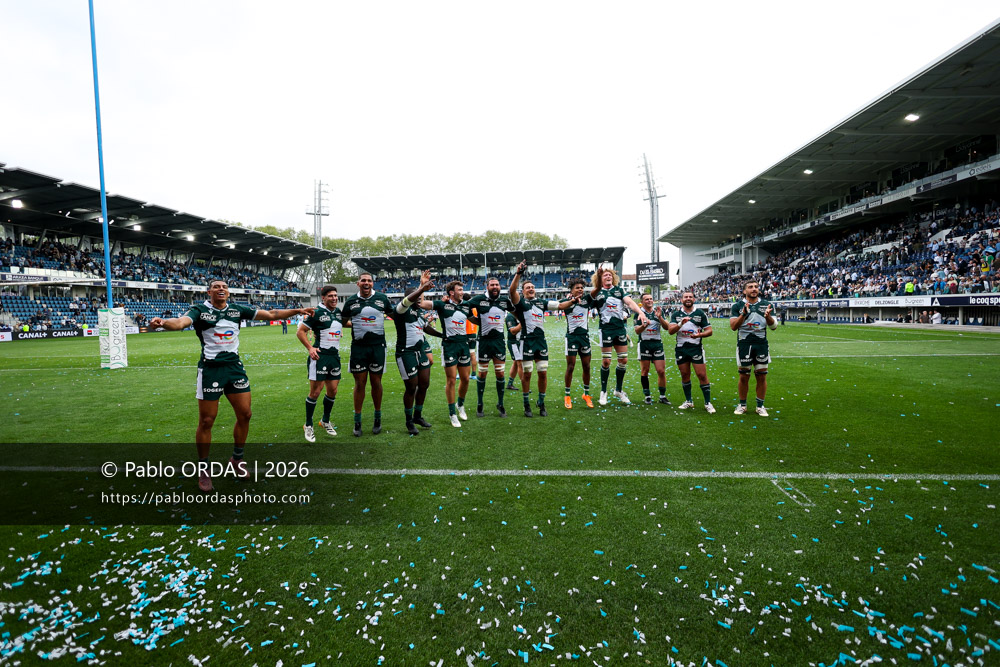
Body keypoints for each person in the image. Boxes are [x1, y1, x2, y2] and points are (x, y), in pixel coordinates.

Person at [149, 279, 314, 491]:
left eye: (224, 287)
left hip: (234, 368)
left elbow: (271, 315)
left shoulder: (237, 310)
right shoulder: (199, 310)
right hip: (210, 370)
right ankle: (204, 469)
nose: (221, 289)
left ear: (228, 292)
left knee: (245, 415)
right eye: (216, 287)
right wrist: (163, 322)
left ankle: (237, 459)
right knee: (207, 420)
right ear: (209, 291)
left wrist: (297, 310)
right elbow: (181, 322)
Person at [509, 260, 578, 417]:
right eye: (528, 288)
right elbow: (512, 291)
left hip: (541, 342)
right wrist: (518, 274)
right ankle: (526, 404)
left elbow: (560, 306)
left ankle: (541, 402)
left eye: (533, 287)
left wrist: (572, 301)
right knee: (527, 373)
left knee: (543, 373)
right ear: (523, 291)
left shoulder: (542, 302)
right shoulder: (520, 302)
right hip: (526, 342)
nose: (531, 289)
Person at [413, 278, 478, 427]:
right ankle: (452, 413)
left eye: (462, 289)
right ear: (451, 292)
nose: (462, 292)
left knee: (466, 379)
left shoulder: (466, 306)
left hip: (464, 345)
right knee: (451, 380)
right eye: (459, 290)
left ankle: (460, 405)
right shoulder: (442, 305)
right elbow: (421, 303)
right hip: (449, 346)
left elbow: (474, 320)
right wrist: (423, 286)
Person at [341, 272, 396, 437]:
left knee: (376, 382)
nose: (366, 283)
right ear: (358, 283)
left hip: (378, 347)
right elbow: (342, 322)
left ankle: (377, 418)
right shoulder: (351, 301)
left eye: (369, 280)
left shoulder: (382, 299)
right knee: (360, 383)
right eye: (363, 280)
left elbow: (396, 316)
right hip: (358, 348)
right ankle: (357, 421)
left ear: (373, 283)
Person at [590, 267, 648, 405]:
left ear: (613, 278)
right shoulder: (597, 292)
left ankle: (618, 390)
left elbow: (629, 302)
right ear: (600, 278)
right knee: (606, 362)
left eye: (610, 275)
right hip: (605, 330)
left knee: (623, 361)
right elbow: (587, 303)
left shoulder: (619, 290)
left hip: (619, 329)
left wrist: (640, 312)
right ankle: (603, 392)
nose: (608, 276)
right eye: (605, 275)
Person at [393, 270, 442, 434]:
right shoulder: (401, 310)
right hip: (405, 353)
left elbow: (426, 328)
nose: (420, 299)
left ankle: (417, 416)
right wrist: (421, 288)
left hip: (419, 352)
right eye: (417, 296)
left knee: (424, 384)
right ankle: (408, 421)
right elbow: (408, 300)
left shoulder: (419, 311)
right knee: (411, 387)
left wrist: (442, 335)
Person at [297, 285, 346, 442]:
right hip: (320, 357)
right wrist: (310, 348)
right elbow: (300, 331)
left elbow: (339, 325)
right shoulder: (316, 312)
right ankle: (308, 425)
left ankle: (324, 421)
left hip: (334, 356)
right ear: (323, 298)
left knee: (333, 391)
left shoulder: (338, 312)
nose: (334, 298)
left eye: (335, 296)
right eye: (330, 296)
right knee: (315, 392)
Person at [465, 277, 518, 418]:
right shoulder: (479, 299)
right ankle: (480, 403)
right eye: (492, 285)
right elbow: (466, 309)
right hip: (483, 342)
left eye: (497, 285)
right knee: (482, 374)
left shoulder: (505, 301)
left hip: (499, 342)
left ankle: (500, 404)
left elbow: (515, 311)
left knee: (500, 374)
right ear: (487, 286)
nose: (495, 287)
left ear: (500, 287)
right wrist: (478, 322)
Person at [729, 280, 776, 417]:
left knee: (761, 376)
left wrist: (768, 318)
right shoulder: (737, 306)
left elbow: (773, 327)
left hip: (761, 343)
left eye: (756, 287)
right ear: (744, 291)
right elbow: (733, 327)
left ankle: (760, 406)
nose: (754, 289)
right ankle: (742, 405)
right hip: (744, 343)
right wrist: (743, 314)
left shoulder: (766, 305)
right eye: (750, 287)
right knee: (744, 376)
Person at [666, 291, 715, 413]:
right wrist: (680, 323)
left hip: (696, 348)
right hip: (681, 348)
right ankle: (688, 401)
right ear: (681, 299)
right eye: (686, 297)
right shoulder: (676, 314)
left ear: (694, 299)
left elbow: (709, 331)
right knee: (685, 375)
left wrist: (700, 334)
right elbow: (670, 331)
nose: (688, 299)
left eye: (690, 297)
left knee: (702, 375)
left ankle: (708, 403)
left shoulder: (700, 314)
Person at [561, 278, 596, 409]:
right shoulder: (565, 302)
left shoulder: (587, 301)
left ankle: (586, 394)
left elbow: (596, 290)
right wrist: (571, 301)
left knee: (586, 366)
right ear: (571, 290)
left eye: (582, 287)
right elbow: (559, 306)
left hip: (584, 338)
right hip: (571, 338)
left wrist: (598, 278)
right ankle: (567, 395)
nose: (580, 289)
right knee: (570, 367)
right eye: (577, 288)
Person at [632, 293, 672, 405]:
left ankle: (662, 396)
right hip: (644, 344)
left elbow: (666, 327)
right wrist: (644, 325)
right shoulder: (639, 313)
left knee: (661, 370)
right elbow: (637, 331)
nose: (649, 301)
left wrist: (659, 317)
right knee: (645, 371)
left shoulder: (658, 312)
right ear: (642, 302)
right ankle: (647, 395)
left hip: (657, 344)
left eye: (651, 299)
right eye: (647, 299)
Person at [505, 311, 523, 392]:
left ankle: (510, 383)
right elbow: (513, 331)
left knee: (516, 362)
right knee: (520, 363)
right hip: (514, 342)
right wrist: (523, 322)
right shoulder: (510, 316)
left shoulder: (520, 314)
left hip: (521, 342)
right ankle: (524, 385)